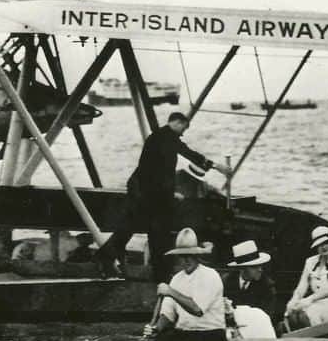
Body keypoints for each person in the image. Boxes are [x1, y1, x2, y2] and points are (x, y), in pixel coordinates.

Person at [98, 111, 232, 281]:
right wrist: (217, 166)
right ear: (177, 122)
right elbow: (185, 154)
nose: (184, 132)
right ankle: (159, 275)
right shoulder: (167, 138)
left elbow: (158, 172)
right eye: (184, 127)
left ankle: (107, 258)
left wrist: (168, 193)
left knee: (132, 230)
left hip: (144, 193)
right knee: (157, 235)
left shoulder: (159, 138)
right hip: (149, 196)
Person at [141, 228, 228, 341]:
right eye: (182, 256)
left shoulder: (210, 275)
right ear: (177, 258)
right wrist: (155, 329)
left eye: (190, 255)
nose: (186, 260)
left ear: (197, 256)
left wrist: (170, 292)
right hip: (185, 334)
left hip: (210, 334)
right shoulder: (176, 279)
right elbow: (168, 315)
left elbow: (197, 310)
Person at [283, 225, 328, 330]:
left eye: (326, 243)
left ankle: (315, 340)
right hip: (318, 302)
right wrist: (294, 300)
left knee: (305, 315)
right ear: (316, 246)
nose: (324, 247)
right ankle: (302, 340)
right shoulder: (310, 262)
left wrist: (310, 299)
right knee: (292, 314)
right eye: (320, 244)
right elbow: (301, 287)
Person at [223, 240, 276, 323]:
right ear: (242, 268)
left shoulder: (266, 286)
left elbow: (267, 316)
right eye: (254, 267)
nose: (260, 270)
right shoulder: (226, 282)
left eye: (260, 265)